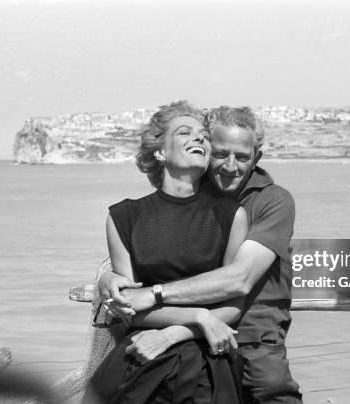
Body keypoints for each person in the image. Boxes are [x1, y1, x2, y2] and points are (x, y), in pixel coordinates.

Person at [102, 106, 303, 404]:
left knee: (270, 386)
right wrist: (107, 277)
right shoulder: (193, 189)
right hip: (177, 326)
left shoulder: (270, 202)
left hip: (252, 332)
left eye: (243, 157)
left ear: (256, 158)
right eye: (220, 153)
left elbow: (239, 279)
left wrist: (157, 299)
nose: (230, 166)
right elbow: (148, 253)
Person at [84, 101, 248, 404]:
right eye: (185, 132)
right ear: (160, 152)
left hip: (207, 357)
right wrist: (200, 315)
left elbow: (234, 305)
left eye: (204, 136)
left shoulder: (231, 215)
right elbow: (130, 307)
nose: (199, 138)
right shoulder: (123, 216)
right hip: (143, 352)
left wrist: (191, 328)